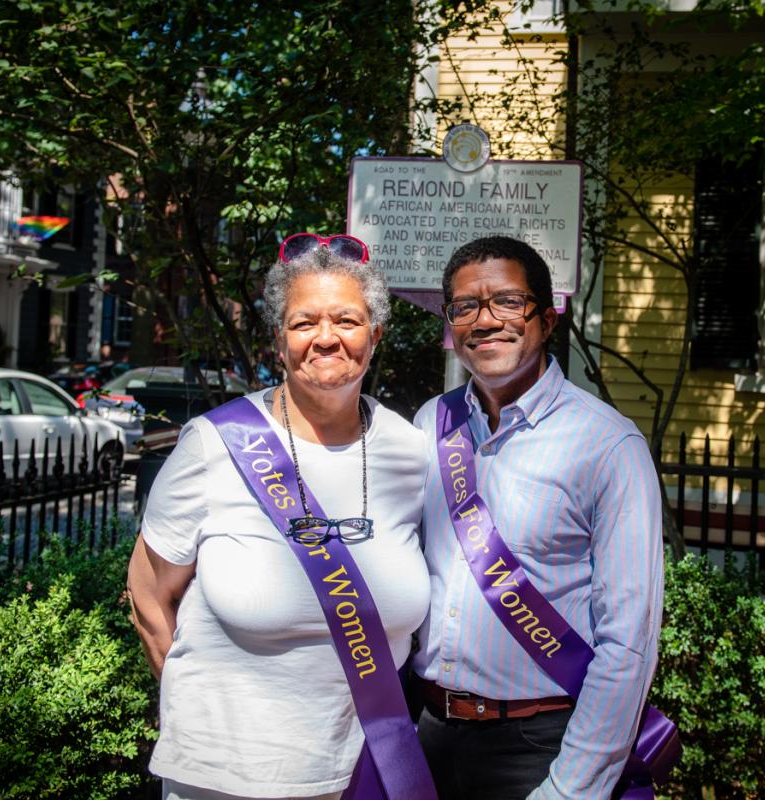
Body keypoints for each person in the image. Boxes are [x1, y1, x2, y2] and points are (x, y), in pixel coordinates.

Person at [126, 233, 432, 800]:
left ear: (376, 335)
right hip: (222, 777)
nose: (325, 338)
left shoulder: (410, 452)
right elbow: (148, 591)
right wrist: (195, 704)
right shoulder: (215, 444)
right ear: (278, 341)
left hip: (364, 771)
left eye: (347, 320)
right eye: (303, 322)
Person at [411, 235, 664, 799]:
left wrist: (572, 788)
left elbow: (629, 641)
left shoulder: (607, 444)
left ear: (546, 320)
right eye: (465, 307)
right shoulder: (431, 423)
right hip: (427, 737)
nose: (485, 320)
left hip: (539, 748)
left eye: (506, 301)